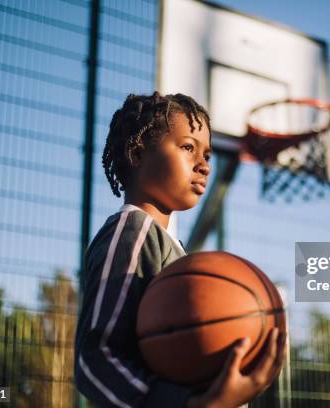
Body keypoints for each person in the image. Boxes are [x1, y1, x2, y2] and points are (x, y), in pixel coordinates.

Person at [74, 92, 286, 407]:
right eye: (188, 147)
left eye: (208, 155)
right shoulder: (131, 231)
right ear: (138, 152)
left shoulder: (175, 253)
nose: (203, 166)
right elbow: (96, 359)